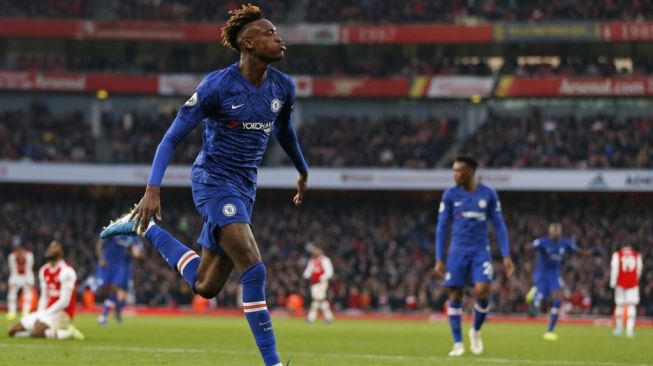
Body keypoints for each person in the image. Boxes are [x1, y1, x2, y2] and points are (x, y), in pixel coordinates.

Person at [100, 4, 307, 366]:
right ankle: (273, 363)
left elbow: (284, 130)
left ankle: (144, 227)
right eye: (270, 32)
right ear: (249, 44)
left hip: (245, 187)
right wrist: (153, 188)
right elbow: (171, 137)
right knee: (254, 268)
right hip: (213, 181)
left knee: (206, 286)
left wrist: (302, 168)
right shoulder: (217, 85)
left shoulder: (283, 87)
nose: (279, 38)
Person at [434, 155, 514, 357]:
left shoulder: (488, 194)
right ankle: (458, 343)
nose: (455, 174)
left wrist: (506, 255)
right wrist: (439, 258)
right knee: (455, 294)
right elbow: (442, 227)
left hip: (480, 251)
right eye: (453, 170)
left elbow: (499, 224)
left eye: (459, 170)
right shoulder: (450, 195)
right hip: (457, 252)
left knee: (483, 289)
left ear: (470, 171)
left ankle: (476, 331)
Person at [8, 240, 84, 340]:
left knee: (37, 332)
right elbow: (44, 296)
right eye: (50, 247)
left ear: (61, 253)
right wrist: (40, 313)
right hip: (48, 312)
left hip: (63, 313)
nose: (50, 249)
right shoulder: (44, 270)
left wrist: (46, 313)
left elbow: (65, 302)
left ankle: (68, 332)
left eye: (55, 247)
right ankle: (51, 331)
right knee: (12, 330)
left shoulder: (67, 272)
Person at [525, 222, 582, 340]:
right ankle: (535, 293)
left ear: (560, 232)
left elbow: (577, 250)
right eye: (554, 231)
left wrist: (591, 253)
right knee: (541, 303)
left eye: (558, 231)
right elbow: (529, 247)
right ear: (550, 232)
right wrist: (527, 247)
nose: (556, 233)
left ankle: (549, 331)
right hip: (542, 274)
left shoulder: (564, 243)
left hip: (554, 275)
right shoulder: (542, 242)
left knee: (557, 302)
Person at [95, 235, 143, 325]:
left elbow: (138, 253)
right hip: (108, 265)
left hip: (124, 267)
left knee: (121, 293)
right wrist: (101, 258)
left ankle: (109, 315)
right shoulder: (114, 229)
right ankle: (108, 315)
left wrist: (136, 253)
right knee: (113, 291)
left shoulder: (133, 236)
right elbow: (99, 243)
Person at [610, 243, 642, 338]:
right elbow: (639, 270)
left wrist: (613, 282)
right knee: (631, 306)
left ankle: (619, 329)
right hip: (633, 284)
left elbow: (615, 269)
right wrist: (635, 280)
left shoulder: (617, 255)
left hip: (620, 283)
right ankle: (629, 330)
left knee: (619, 305)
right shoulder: (636, 255)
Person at [302, 244, 334, 323]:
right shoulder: (312, 260)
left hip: (321, 282)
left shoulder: (325, 260)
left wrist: (322, 278)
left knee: (318, 298)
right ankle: (328, 317)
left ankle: (311, 318)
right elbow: (308, 271)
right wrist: (305, 276)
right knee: (319, 299)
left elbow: (329, 271)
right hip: (314, 283)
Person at [6, 235, 35, 320]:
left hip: (26, 275)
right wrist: (13, 280)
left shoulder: (29, 255)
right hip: (16, 276)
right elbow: (13, 269)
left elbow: (29, 268)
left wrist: (29, 279)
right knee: (12, 294)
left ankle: (26, 311)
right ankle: (12, 311)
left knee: (27, 295)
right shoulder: (12, 256)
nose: (19, 252)